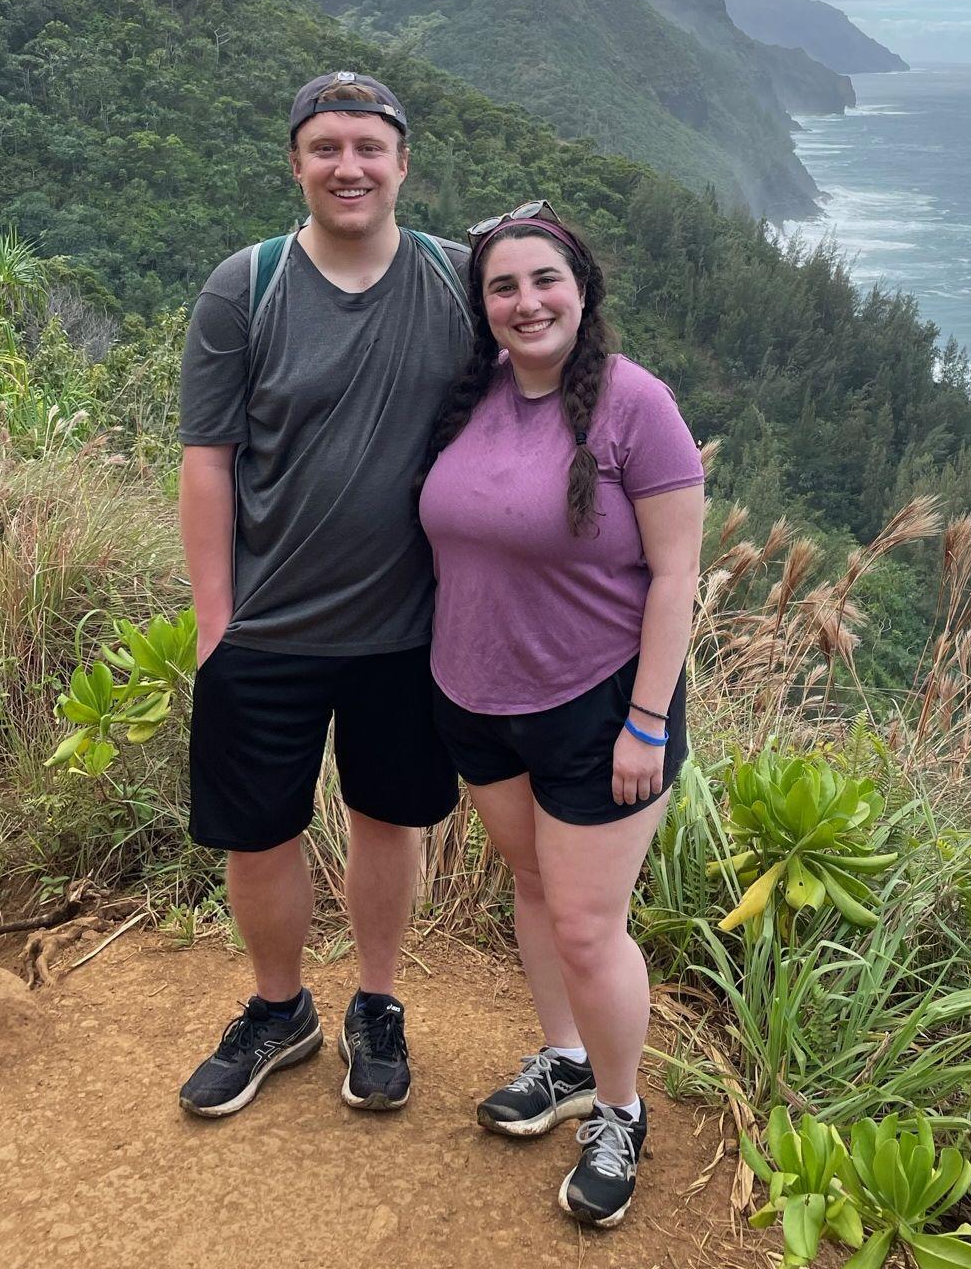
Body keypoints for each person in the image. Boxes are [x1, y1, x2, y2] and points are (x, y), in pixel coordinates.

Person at [175, 73, 471, 1119]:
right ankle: (279, 1005)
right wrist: (218, 624)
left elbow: (541, 393)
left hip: (409, 628)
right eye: (326, 146)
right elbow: (207, 458)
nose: (349, 166)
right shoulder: (245, 285)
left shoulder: (458, 280)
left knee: (389, 817)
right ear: (296, 163)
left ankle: (377, 1004)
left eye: (369, 146)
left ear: (403, 163)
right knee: (261, 830)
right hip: (268, 625)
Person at [418, 201, 705, 1228]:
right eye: (503, 285)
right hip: (474, 699)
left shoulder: (636, 405)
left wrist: (646, 720)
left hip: (597, 707)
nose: (526, 301)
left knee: (589, 925)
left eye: (545, 280)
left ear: (582, 291)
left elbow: (676, 576)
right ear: (483, 305)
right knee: (533, 890)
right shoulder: (472, 397)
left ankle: (622, 1110)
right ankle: (566, 1061)